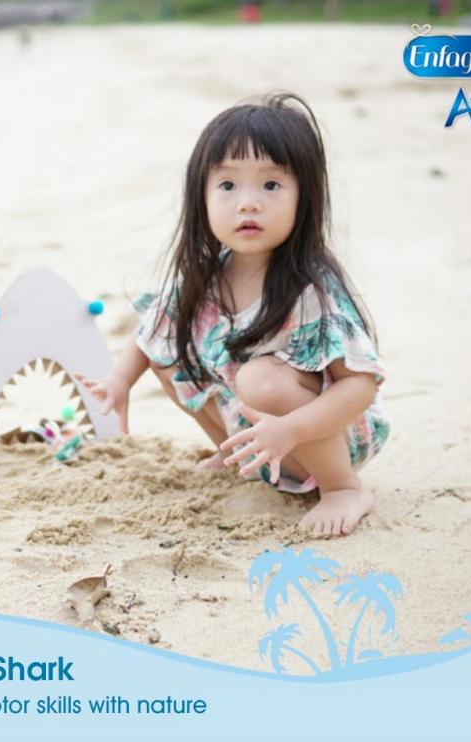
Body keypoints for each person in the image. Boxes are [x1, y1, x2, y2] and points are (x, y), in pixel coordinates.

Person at [75, 92, 389, 539]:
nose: (248, 203)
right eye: (227, 186)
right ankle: (232, 451)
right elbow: (152, 335)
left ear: (305, 198)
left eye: (271, 185)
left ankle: (343, 489)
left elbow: (360, 386)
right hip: (264, 432)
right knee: (172, 353)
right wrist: (119, 383)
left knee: (260, 379)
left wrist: (292, 428)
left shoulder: (309, 291)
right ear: (200, 196)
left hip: (327, 433)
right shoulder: (207, 278)